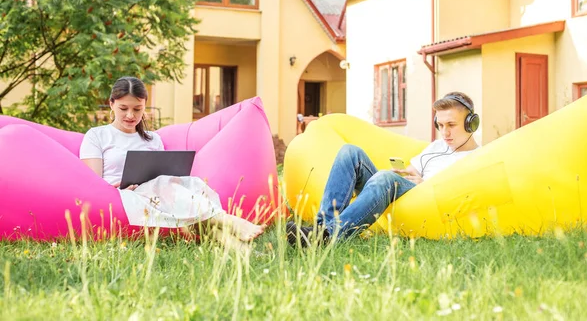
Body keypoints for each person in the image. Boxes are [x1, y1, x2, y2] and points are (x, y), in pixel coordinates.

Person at [80, 76, 265, 251]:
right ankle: (229, 221)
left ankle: (241, 250)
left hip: (157, 196)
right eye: (123, 108)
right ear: (111, 103)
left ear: (145, 105)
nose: (130, 115)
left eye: (137, 109)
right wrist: (117, 190)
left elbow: (162, 173)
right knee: (165, 187)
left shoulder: (153, 139)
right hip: (120, 197)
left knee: (189, 185)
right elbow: (92, 183)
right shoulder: (97, 135)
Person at [286, 92, 481, 247]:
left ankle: (332, 235)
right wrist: (404, 173)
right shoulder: (436, 147)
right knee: (349, 152)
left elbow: (458, 195)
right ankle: (320, 229)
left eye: (451, 125)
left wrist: (425, 185)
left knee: (386, 178)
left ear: (470, 123)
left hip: (428, 204)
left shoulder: (476, 158)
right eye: (440, 125)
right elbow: (410, 171)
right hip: (403, 197)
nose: (445, 132)